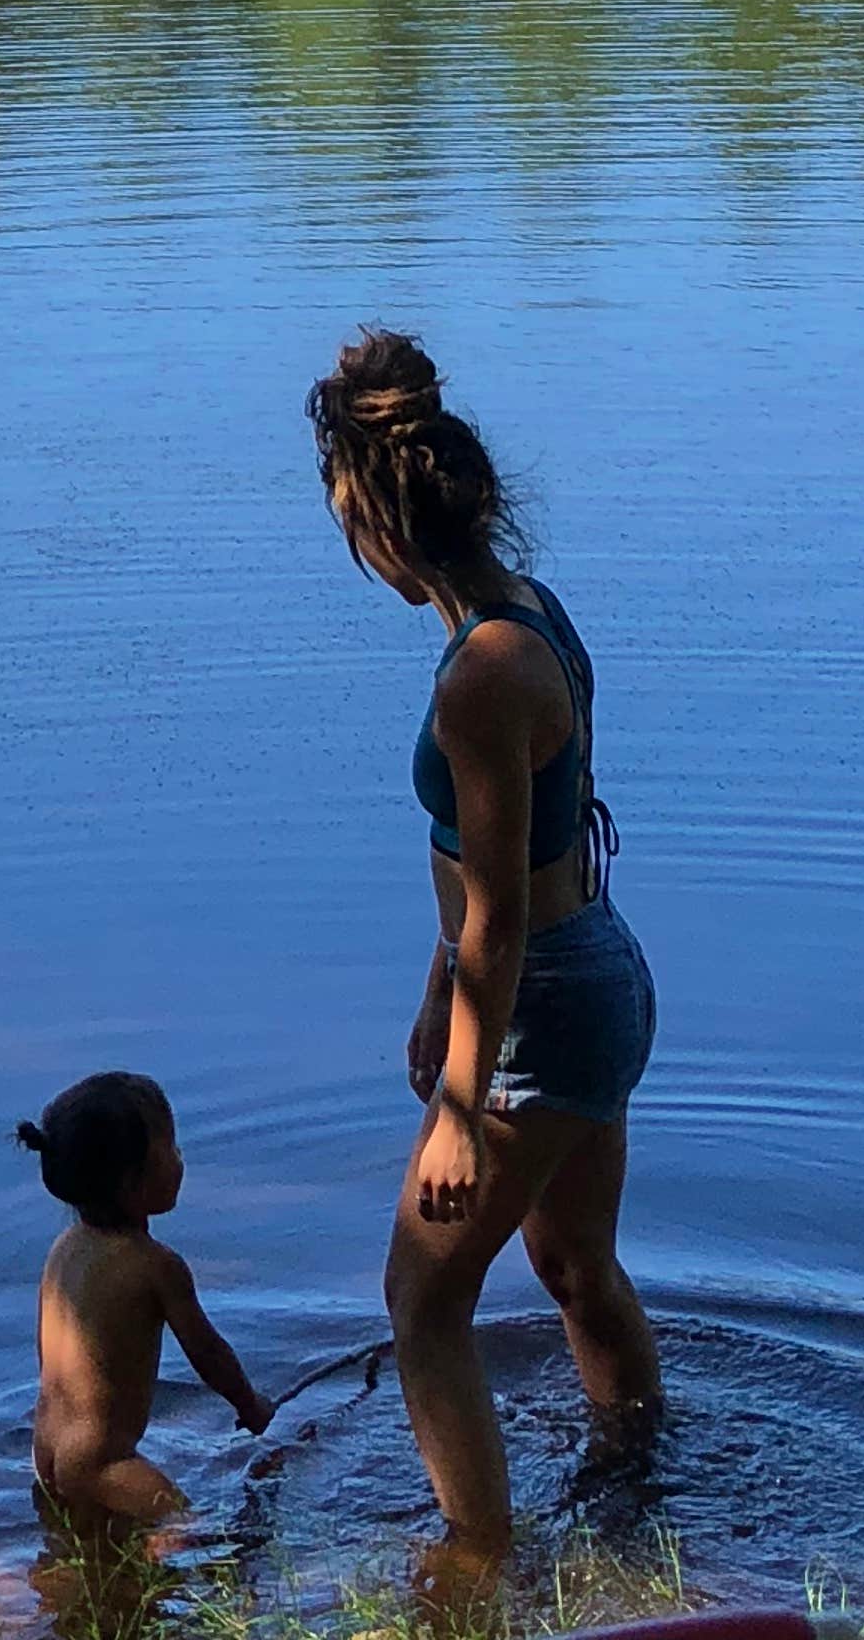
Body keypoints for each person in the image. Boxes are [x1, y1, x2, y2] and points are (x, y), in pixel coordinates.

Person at [307, 329, 662, 1574]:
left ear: (383, 529)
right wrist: (432, 993)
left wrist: (460, 1104)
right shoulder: (530, 613)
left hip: (544, 994)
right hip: (594, 970)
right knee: (574, 1265)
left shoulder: (480, 676)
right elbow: (508, 858)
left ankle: (474, 1566)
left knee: (422, 1305)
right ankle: (639, 1487)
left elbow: (501, 918)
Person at [16, 1071, 275, 1523]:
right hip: (103, 1464)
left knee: (83, 1543)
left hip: (46, 1450)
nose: (180, 1159)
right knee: (188, 1528)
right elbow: (208, 1353)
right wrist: (249, 1405)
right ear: (133, 1181)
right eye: (171, 1148)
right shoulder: (155, 1266)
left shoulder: (64, 1249)